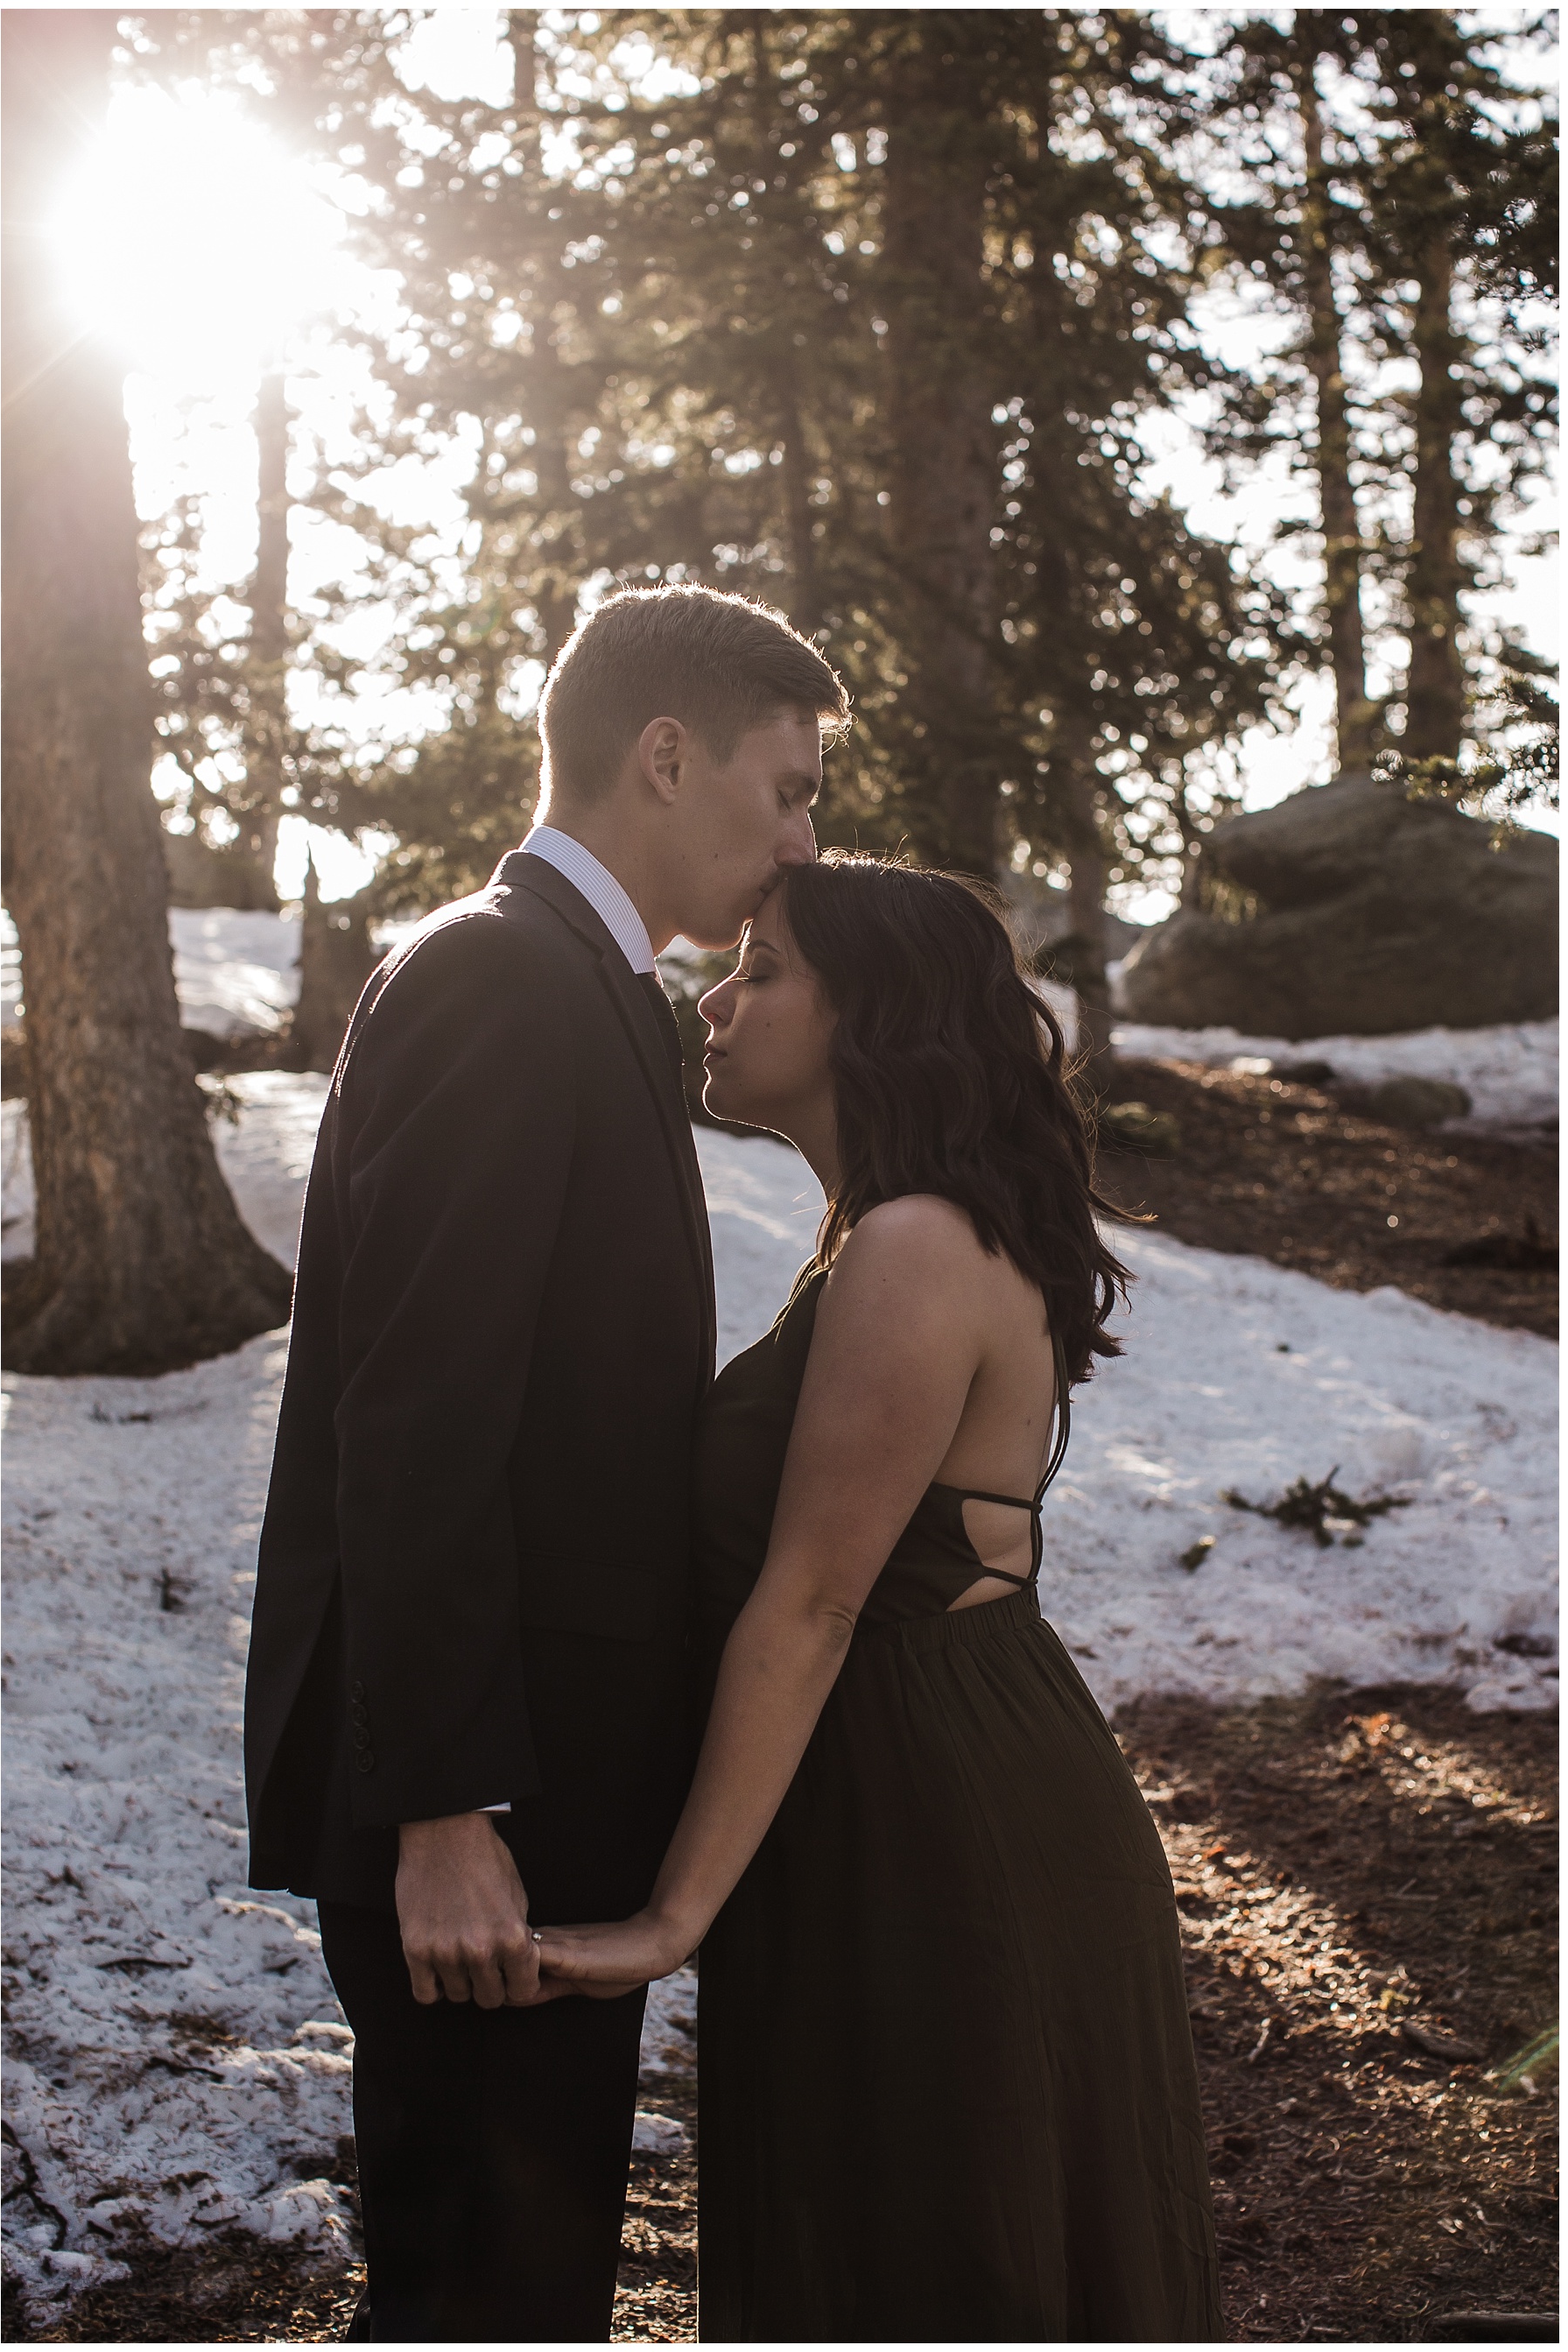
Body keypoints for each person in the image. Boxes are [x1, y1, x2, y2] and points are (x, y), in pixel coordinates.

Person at [241, 584, 849, 2342]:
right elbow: (420, 1413)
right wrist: (444, 1807)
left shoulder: (581, 980)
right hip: (483, 1816)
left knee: (520, 2290)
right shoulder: (502, 979)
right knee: (477, 2300)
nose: (804, 834)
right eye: (788, 788)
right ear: (666, 757)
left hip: (536, 1792)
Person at [537, 854, 1224, 2342]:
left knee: (933, 2255)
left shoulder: (915, 1243)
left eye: (764, 968)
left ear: (878, 1016)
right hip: (896, 1779)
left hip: (937, 1809)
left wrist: (670, 1917)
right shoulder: (882, 1230)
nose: (715, 997)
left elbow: (811, 1607)